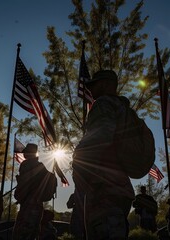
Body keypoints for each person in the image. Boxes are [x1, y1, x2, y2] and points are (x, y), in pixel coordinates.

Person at [72, 69, 135, 239]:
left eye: (95, 84)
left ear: (107, 84)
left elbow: (100, 137)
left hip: (103, 186)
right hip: (119, 186)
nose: (90, 89)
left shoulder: (104, 103)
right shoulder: (123, 109)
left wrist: (78, 162)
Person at [13, 143, 56, 240]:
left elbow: (25, 184)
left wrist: (19, 196)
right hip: (37, 204)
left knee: (23, 232)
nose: (24, 154)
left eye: (26, 152)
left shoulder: (26, 164)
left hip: (29, 203)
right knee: (33, 231)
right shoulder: (40, 166)